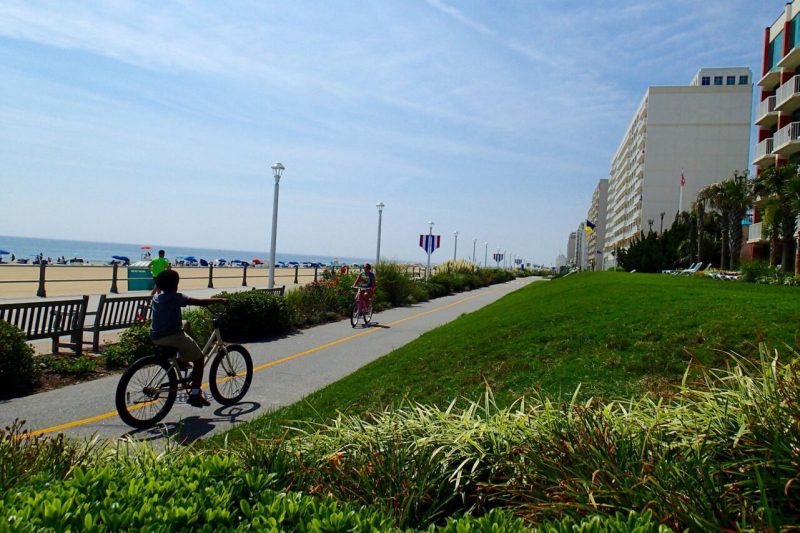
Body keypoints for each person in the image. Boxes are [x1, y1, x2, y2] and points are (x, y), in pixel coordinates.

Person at [150, 269, 227, 407]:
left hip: (156, 336)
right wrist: (220, 300)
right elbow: (197, 301)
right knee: (199, 359)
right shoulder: (175, 297)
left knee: (184, 325)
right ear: (176, 286)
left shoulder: (156, 298)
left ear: (159, 286)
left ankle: (180, 360)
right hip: (172, 337)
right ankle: (195, 394)